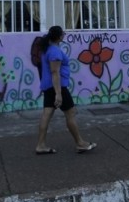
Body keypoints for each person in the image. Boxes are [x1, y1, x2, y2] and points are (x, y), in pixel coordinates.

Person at [34, 25, 97, 155]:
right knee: (71, 113)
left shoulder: (47, 49)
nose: (64, 35)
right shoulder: (55, 52)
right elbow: (54, 72)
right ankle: (80, 143)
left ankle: (40, 145)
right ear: (59, 37)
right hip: (58, 87)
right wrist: (58, 94)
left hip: (49, 87)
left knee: (46, 115)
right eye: (63, 33)